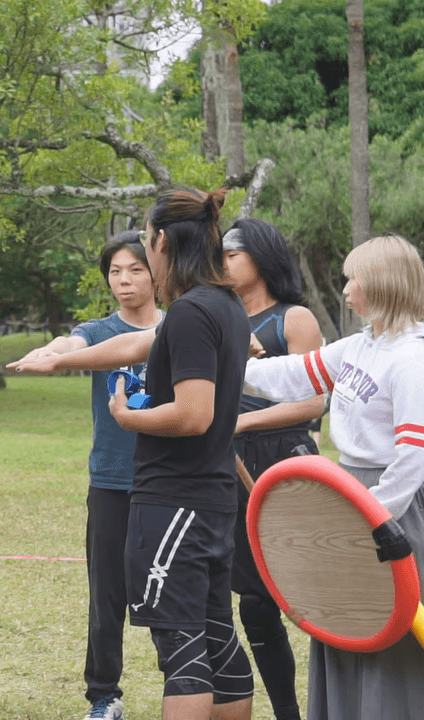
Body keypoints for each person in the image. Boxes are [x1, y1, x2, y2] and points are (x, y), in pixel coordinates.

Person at [9, 187, 255, 720]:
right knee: (217, 638)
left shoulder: (189, 312)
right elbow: (132, 346)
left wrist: (128, 417)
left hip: (174, 505)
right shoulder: (225, 305)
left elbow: (194, 414)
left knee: (183, 649)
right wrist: (57, 360)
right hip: (210, 501)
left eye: (146, 242)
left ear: (162, 241)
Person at [243, 234, 424, 720]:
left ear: (383, 283)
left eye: (352, 279)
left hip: (393, 509)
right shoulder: (363, 345)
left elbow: (413, 457)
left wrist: (374, 519)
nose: (344, 290)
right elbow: (295, 375)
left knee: (387, 630)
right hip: (349, 494)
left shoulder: (412, 358)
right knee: (341, 618)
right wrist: (227, 364)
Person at [12, 231, 163, 720]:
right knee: (107, 595)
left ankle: (183, 683)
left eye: (135, 269)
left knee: (169, 589)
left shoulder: (180, 325)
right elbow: (71, 340)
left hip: (167, 479)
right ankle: (104, 695)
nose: (124, 280)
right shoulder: (98, 331)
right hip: (111, 480)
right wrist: (51, 350)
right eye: (115, 271)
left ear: (157, 270)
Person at [222, 219, 323, 720]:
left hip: (286, 461)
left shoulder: (293, 318)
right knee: (256, 605)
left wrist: (239, 421)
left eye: (231, 253)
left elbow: (315, 400)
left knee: (320, 598)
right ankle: (288, 714)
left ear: (260, 257)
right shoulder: (219, 318)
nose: (221, 261)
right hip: (230, 465)